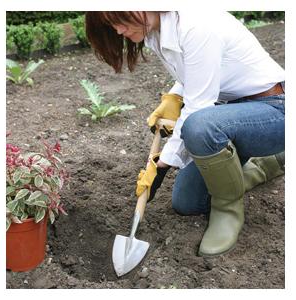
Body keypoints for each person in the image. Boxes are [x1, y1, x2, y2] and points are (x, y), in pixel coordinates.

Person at [85, 11, 285, 257]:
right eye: (112, 24)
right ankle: (266, 164)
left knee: (200, 127)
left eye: (121, 19)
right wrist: (174, 96)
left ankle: (228, 212)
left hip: (275, 110)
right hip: (233, 113)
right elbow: (197, 74)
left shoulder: (197, 25)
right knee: (187, 202)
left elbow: (198, 110)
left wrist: (162, 164)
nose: (118, 31)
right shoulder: (157, 33)